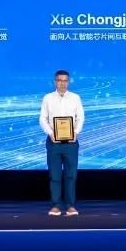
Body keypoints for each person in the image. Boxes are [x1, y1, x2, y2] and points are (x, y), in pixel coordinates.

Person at [40, 69, 85, 216]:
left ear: (68, 82)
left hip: (71, 143)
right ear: (55, 82)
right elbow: (43, 119)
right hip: (53, 142)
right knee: (55, 175)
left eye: (65, 81)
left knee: (71, 175)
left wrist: (76, 132)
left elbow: (80, 117)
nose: (63, 83)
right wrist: (50, 133)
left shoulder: (75, 98)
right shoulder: (48, 98)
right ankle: (56, 206)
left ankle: (70, 205)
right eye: (60, 80)